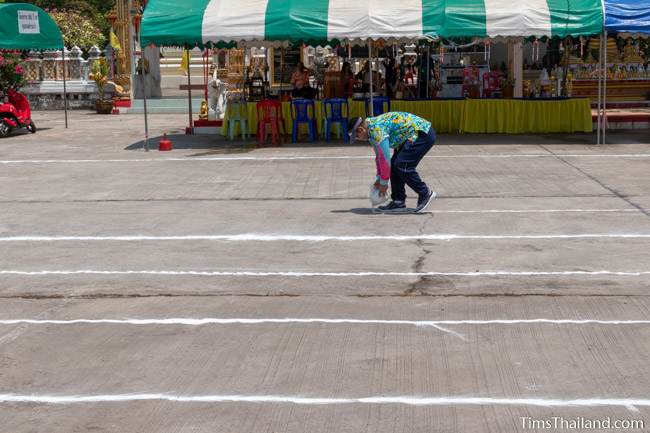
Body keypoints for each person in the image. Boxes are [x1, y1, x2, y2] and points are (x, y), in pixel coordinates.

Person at [347, 112, 437, 213]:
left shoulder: (376, 131)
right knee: (395, 166)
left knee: (402, 165)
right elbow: (379, 158)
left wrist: (384, 184)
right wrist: (379, 179)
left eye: (357, 137)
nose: (358, 139)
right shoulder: (371, 131)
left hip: (422, 133)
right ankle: (398, 201)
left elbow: (385, 160)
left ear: (361, 129)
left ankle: (425, 193)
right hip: (411, 136)